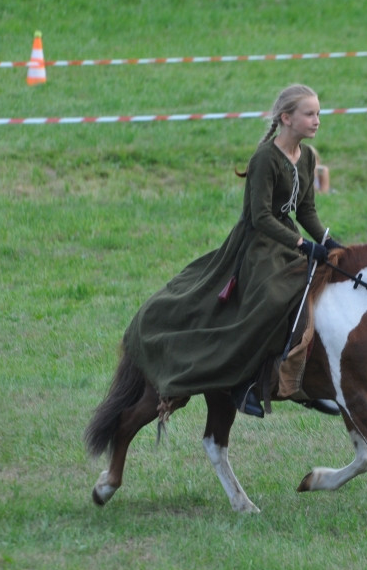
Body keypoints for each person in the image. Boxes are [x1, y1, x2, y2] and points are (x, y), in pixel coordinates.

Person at [122, 84, 341, 418]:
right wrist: (302, 245)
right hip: (257, 245)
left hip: (287, 240)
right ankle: (245, 382)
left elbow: (306, 211)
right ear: (286, 118)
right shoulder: (266, 157)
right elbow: (261, 216)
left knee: (321, 291)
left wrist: (327, 241)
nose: (317, 121)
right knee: (271, 297)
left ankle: (303, 383)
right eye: (309, 114)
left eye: (318, 114)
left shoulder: (308, 157)